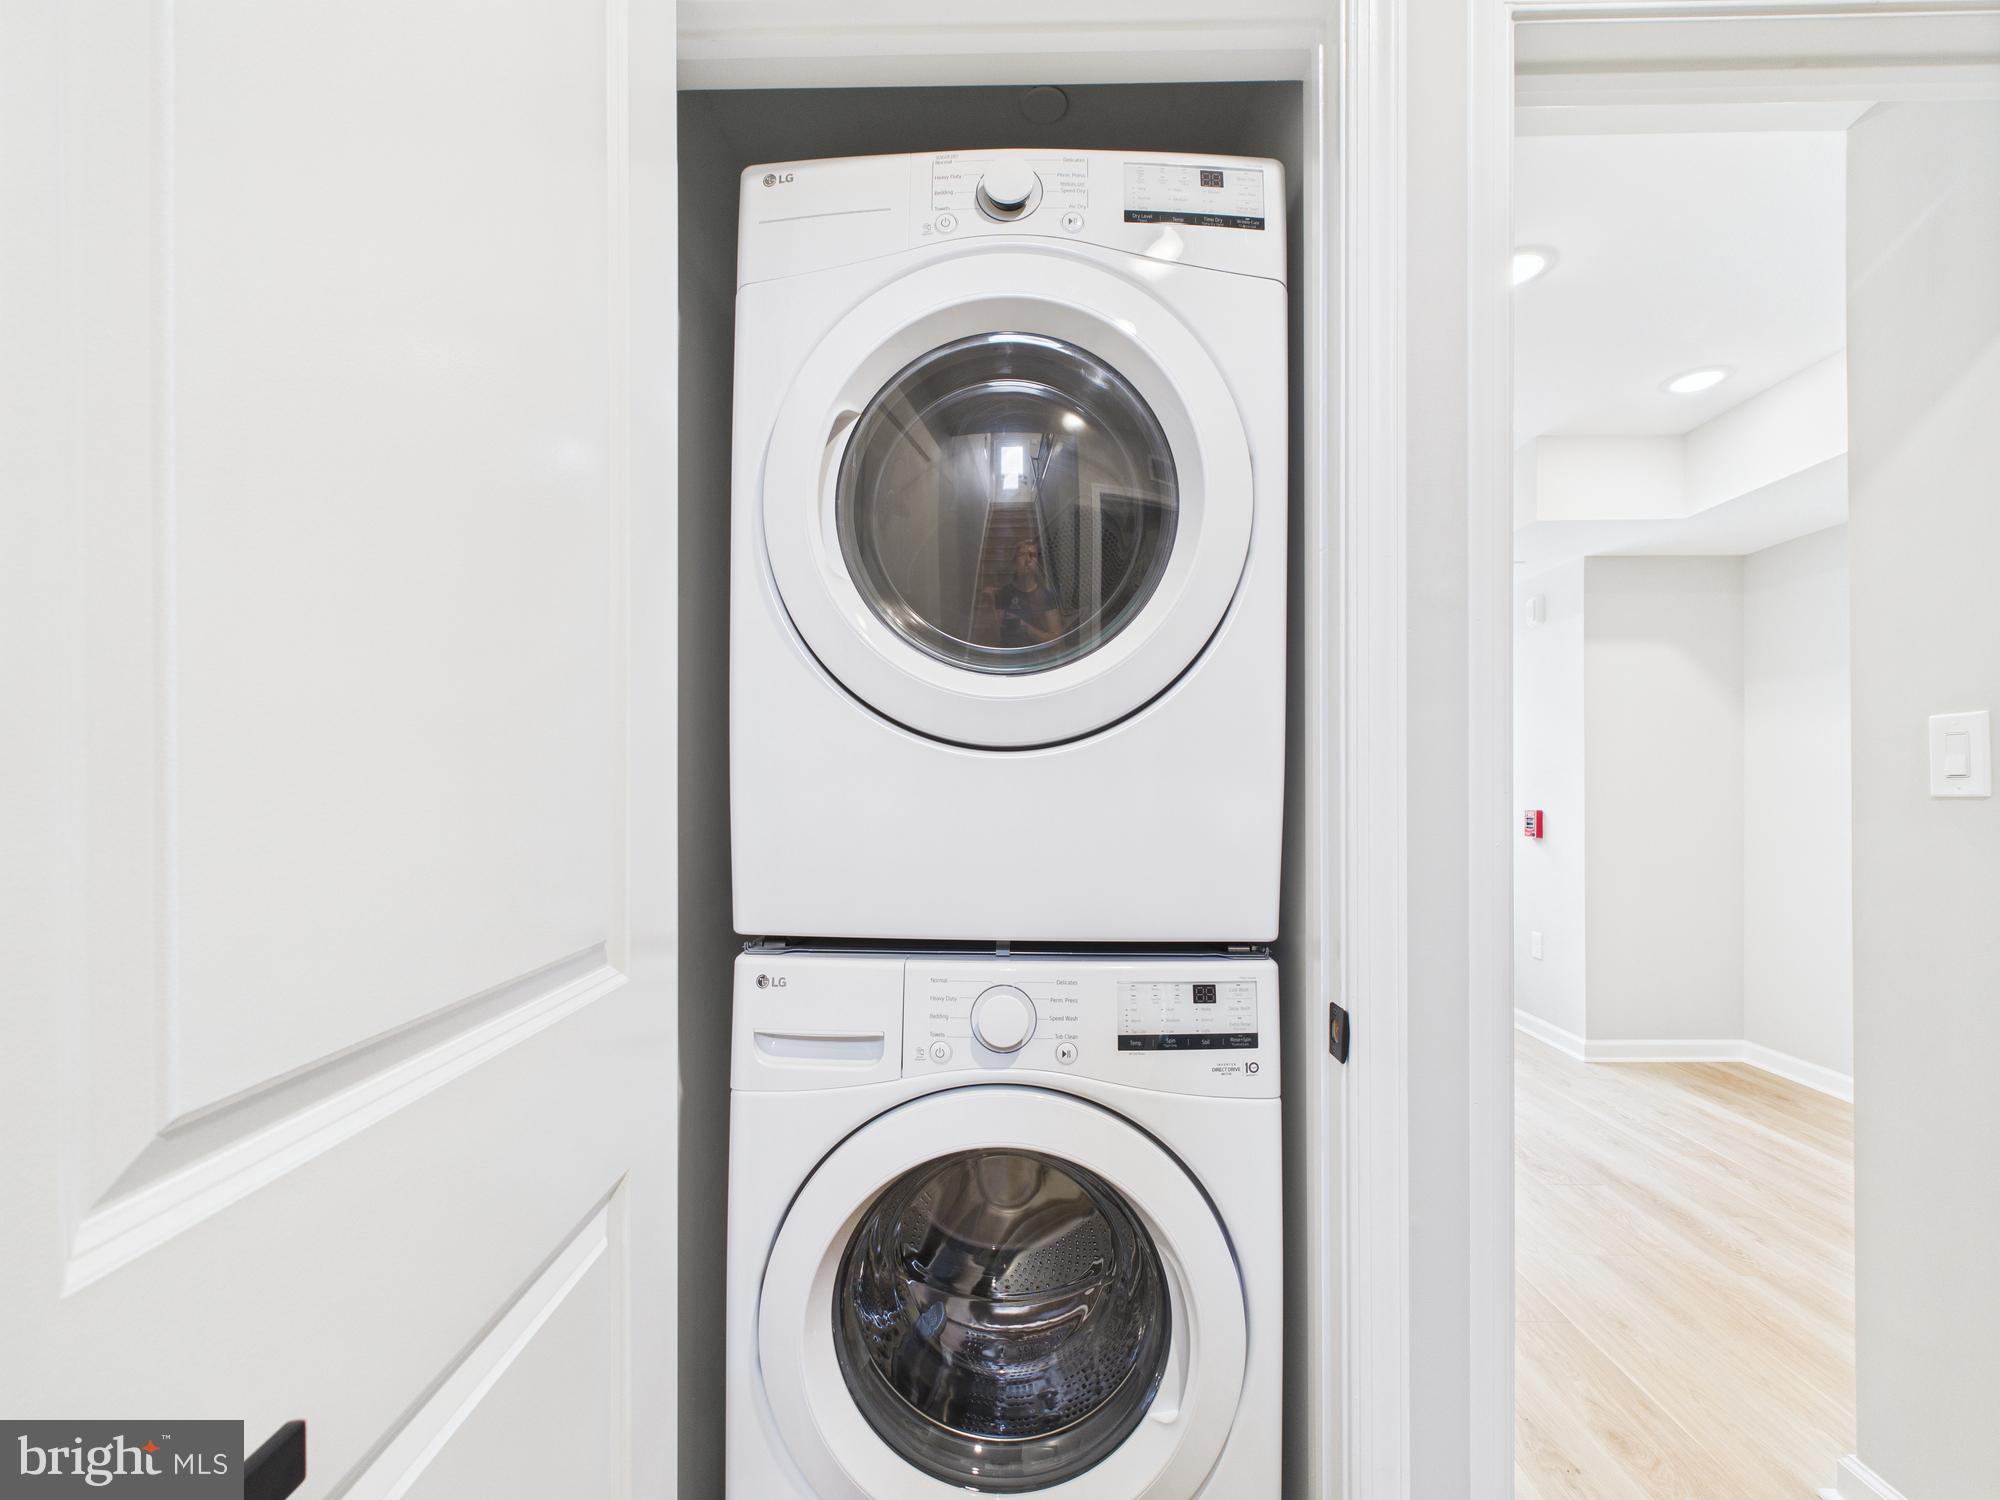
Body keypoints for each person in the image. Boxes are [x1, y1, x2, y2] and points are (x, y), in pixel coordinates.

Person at [984, 538, 1064, 650]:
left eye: (1033, 555)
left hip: (1041, 659)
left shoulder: (1046, 596)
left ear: (1038, 563)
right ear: (1014, 562)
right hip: (1008, 656)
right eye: (1022, 555)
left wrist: (1025, 627)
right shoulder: (1004, 593)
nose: (1028, 560)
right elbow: (993, 638)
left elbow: (1057, 642)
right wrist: (990, 605)